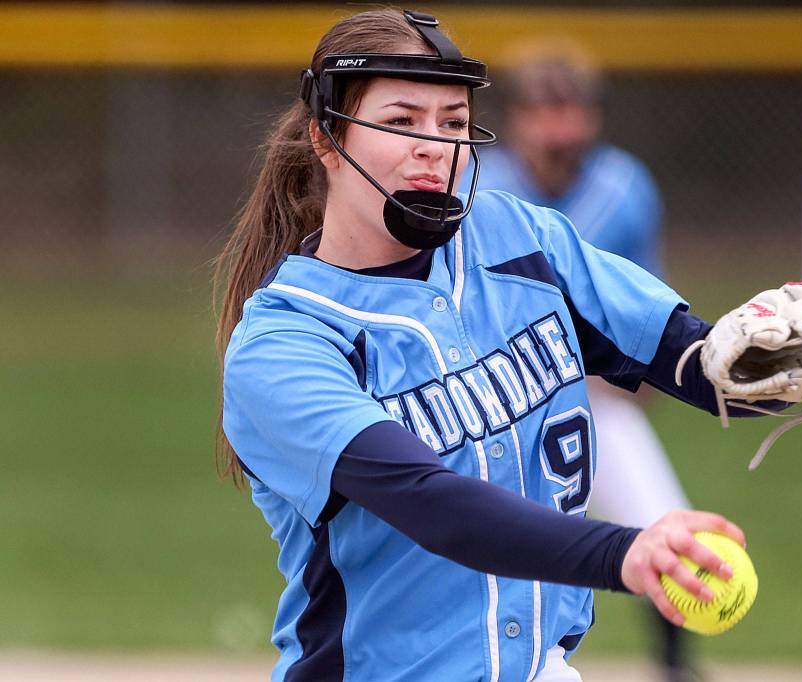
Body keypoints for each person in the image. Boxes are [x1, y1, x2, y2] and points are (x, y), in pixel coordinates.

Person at [215, 10, 769, 682]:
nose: (435, 145)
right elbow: (431, 501)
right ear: (327, 139)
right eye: (401, 120)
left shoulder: (517, 239)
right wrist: (624, 552)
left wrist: (787, 357)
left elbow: (701, 365)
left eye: (452, 123)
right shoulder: (287, 340)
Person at [469, 46, 699, 682]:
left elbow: (647, 299)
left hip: (598, 393)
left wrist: (639, 376)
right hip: (491, 396)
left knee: (662, 522)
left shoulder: (624, 187)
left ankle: (677, 669)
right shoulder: (477, 186)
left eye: (570, 109)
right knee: (480, 536)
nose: (558, 128)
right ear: (515, 119)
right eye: (543, 110)